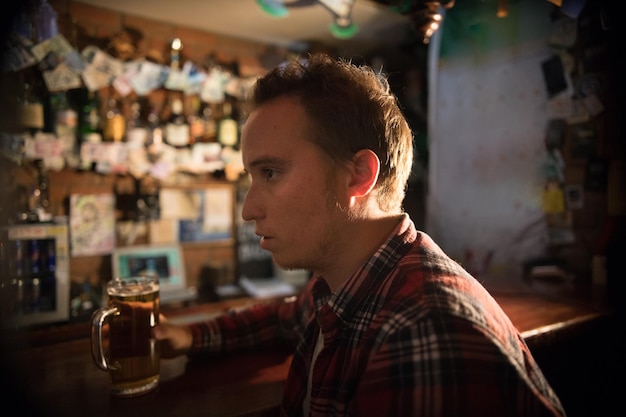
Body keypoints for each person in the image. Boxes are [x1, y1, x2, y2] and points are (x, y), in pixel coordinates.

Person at [153, 53, 566, 417]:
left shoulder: (421, 331)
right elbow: (286, 317)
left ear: (359, 175)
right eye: (252, 177)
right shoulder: (344, 283)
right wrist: (190, 335)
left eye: (271, 173)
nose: (248, 210)